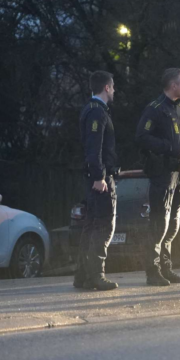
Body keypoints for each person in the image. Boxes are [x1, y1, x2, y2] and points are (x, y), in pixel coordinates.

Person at [135, 68, 180, 286]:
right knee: (159, 223)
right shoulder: (155, 109)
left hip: (179, 173)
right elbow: (141, 137)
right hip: (163, 174)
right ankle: (153, 271)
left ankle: (167, 268)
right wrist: (167, 148)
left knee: (173, 224)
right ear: (173, 85)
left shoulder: (179, 110)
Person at [73, 71, 119, 291]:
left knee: (91, 227)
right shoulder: (97, 113)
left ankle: (83, 276)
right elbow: (94, 149)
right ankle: (95, 275)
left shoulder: (93, 110)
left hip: (95, 178)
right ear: (107, 88)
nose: (114, 91)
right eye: (113, 87)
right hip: (99, 180)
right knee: (103, 226)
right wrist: (99, 176)